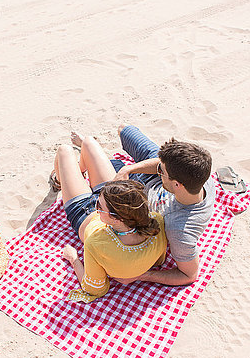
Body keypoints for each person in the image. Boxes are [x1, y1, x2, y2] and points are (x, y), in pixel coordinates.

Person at [71, 126, 215, 286]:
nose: (159, 169)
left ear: (177, 184)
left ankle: (89, 154)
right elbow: (161, 165)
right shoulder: (199, 173)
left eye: (163, 171)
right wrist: (129, 168)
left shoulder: (180, 231)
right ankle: (101, 157)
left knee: (94, 158)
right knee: (124, 130)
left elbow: (189, 275)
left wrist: (142, 275)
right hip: (149, 179)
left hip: (136, 192)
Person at [52, 137, 167, 303]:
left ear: (116, 219)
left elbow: (93, 289)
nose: (97, 207)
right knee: (88, 143)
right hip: (112, 199)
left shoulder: (97, 243)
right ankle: (77, 173)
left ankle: (59, 180)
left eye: (99, 207)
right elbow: (159, 260)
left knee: (64, 150)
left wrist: (73, 259)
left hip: (82, 211)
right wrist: (105, 203)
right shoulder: (156, 222)